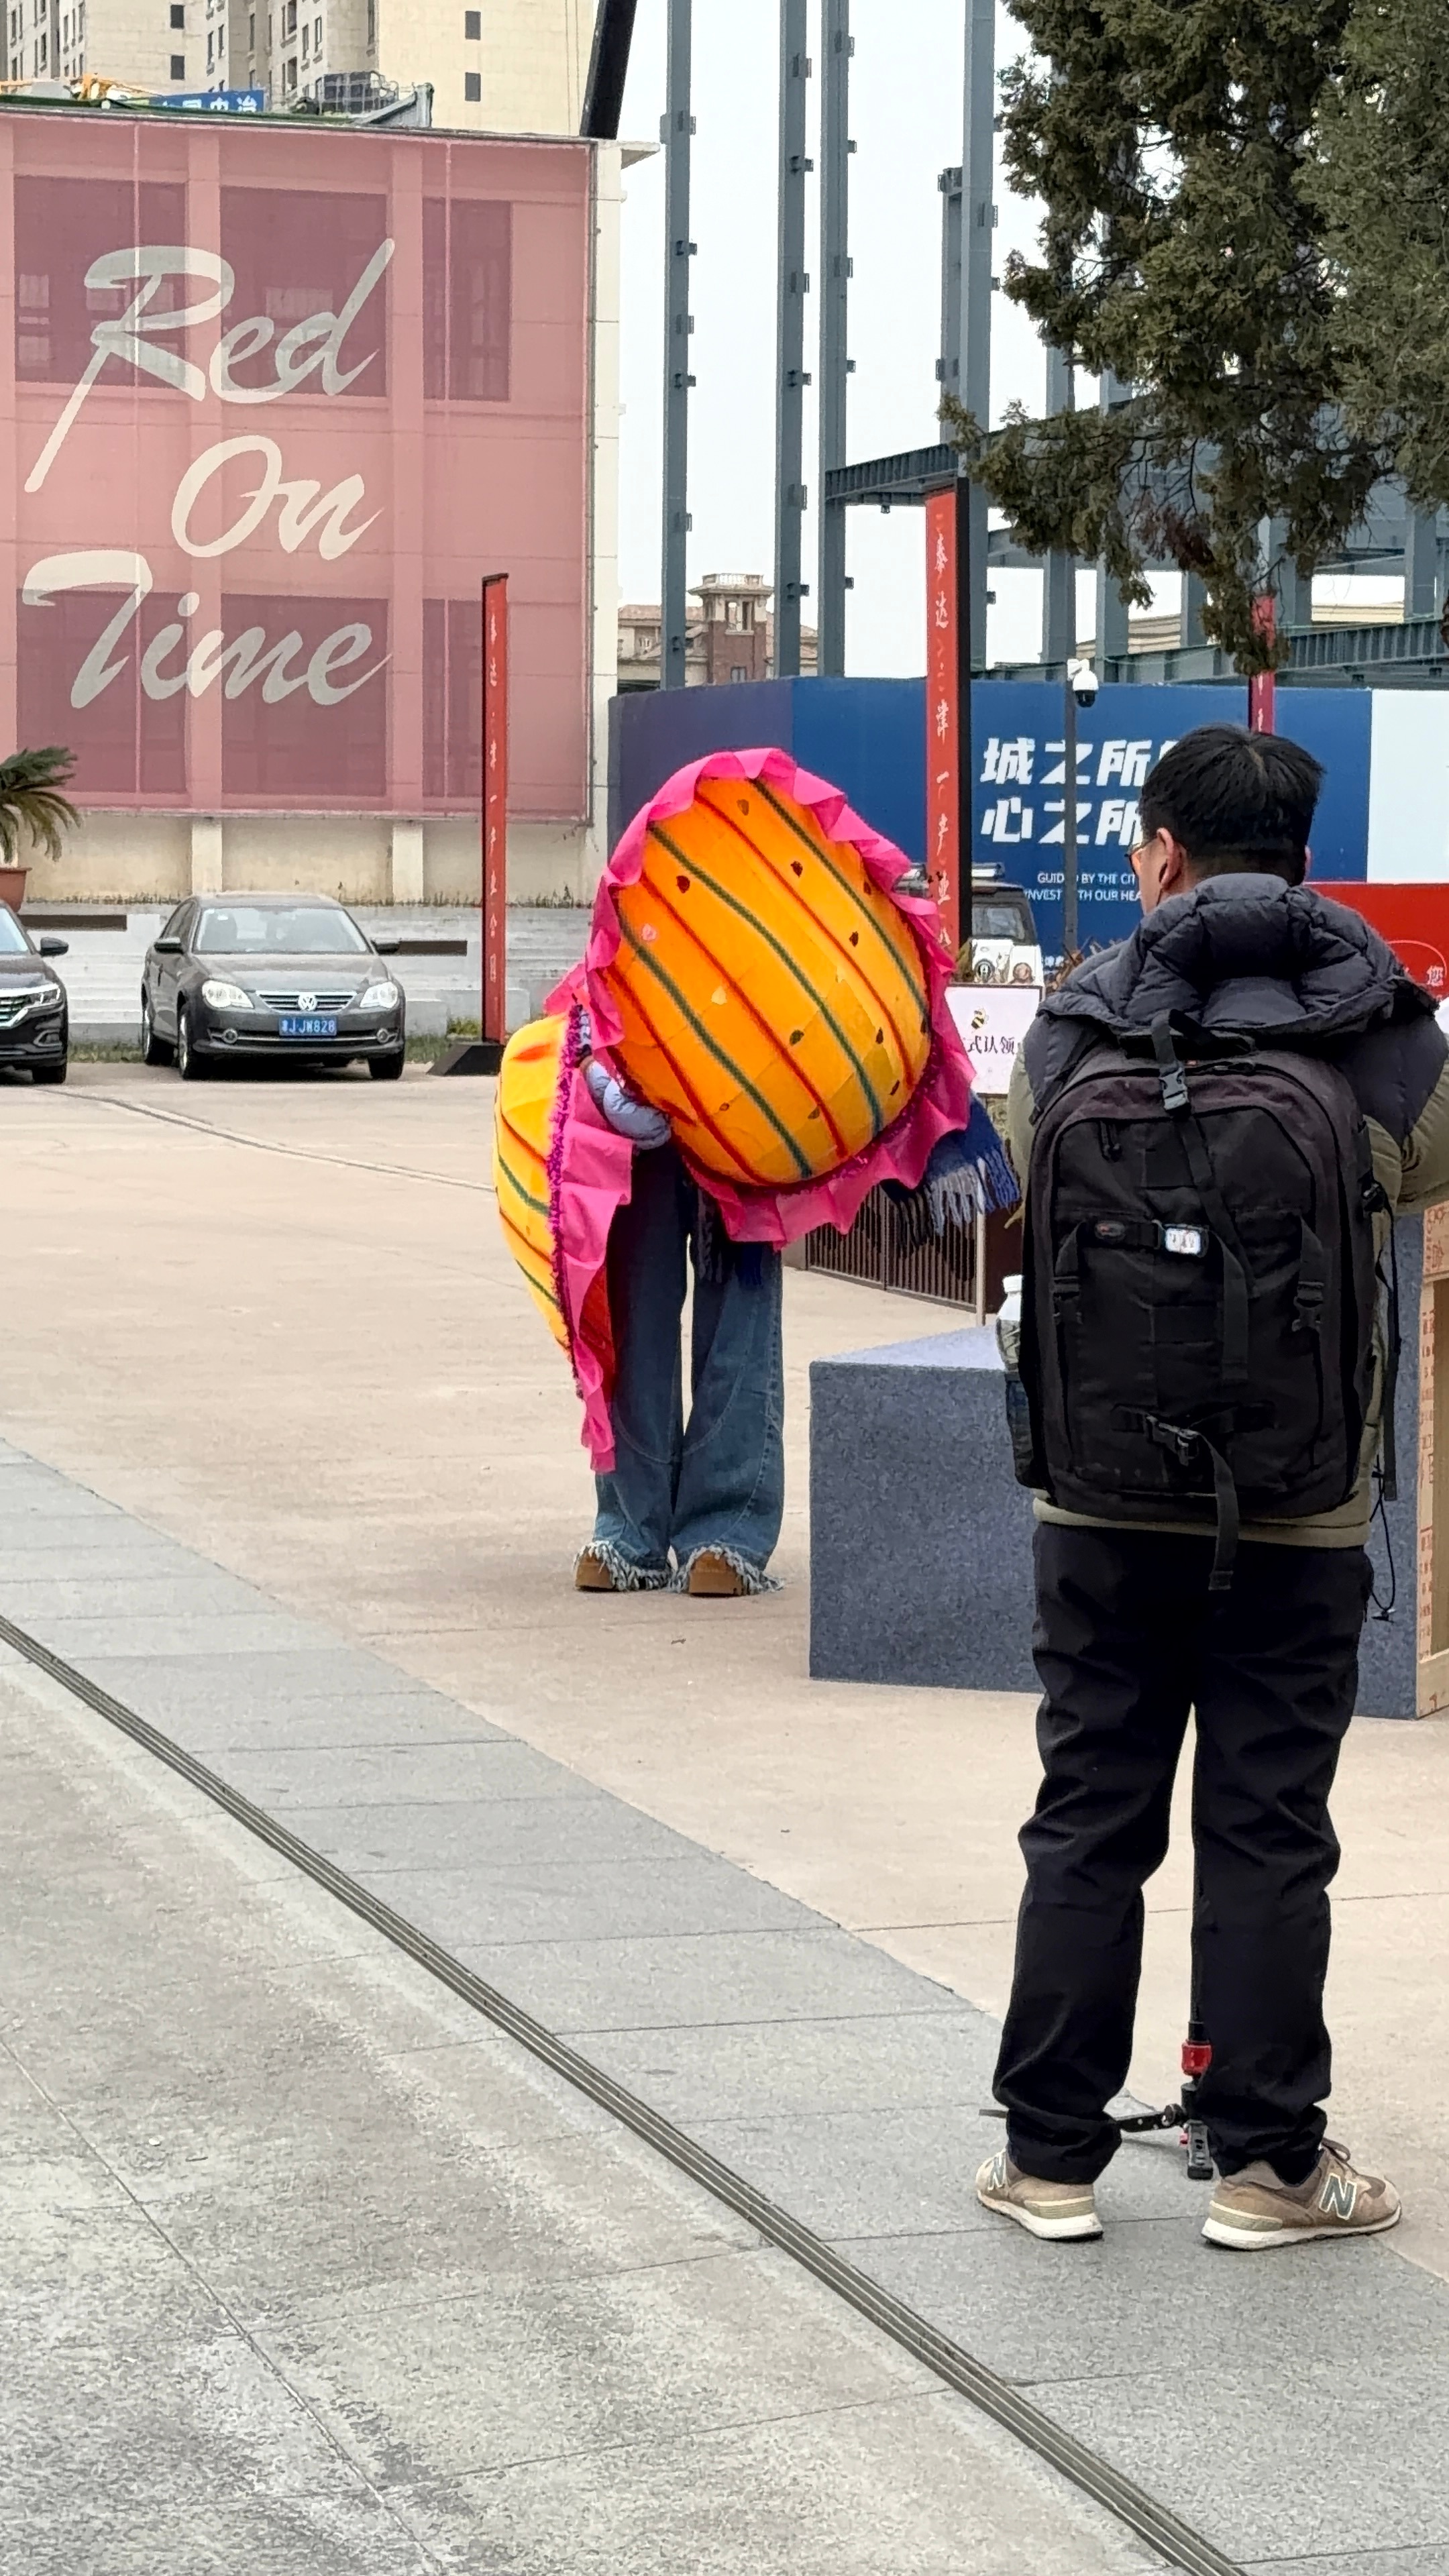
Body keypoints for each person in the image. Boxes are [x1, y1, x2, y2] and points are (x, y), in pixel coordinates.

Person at [977, 723, 1449, 2250]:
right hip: (1299, 1509)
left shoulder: (1072, 1022)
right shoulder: (1380, 1032)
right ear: (1303, 861)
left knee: (1086, 1814)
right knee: (1264, 1822)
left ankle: (1047, 2155)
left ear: (1158, 853)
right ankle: (1265, 2162)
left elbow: (1019, 1156)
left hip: (1097, 1505)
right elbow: (1425, 1169)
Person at [573, 1044, 785, 1599]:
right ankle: (629, 1528)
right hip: (640, 1077)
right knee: (631, 1311)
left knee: (741, 1309)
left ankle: (727, 1526)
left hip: (744, 1089)